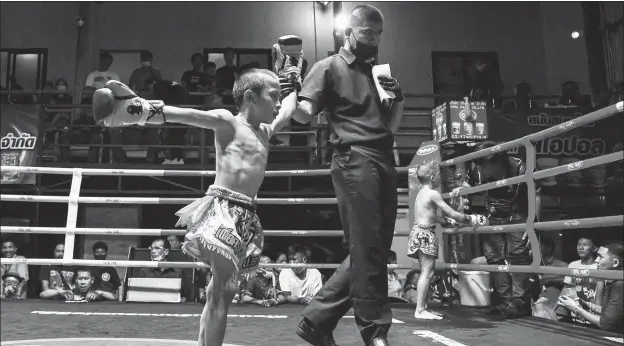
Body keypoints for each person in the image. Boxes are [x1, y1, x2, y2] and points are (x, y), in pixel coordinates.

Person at [92, 65, 299, 346]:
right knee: (224, 289)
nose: (276, 103)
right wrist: (139, 110)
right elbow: (189, 115)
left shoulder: (265, 130)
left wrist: (292, 81)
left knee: (221, 292)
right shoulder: (229, 122)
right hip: (223, 211)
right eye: (272, 96)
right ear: (250, 96)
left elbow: (287, 112)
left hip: (248, 218)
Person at [288, 5, 405, 346]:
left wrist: (397, 98)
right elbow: (303, 116)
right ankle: (374, 331)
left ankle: (317, 320)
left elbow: (391, 128)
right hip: (353, 158)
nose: (374, 40)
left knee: (375, 248)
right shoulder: (328, 67)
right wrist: (289, 90)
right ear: (349, 32)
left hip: (383, 156)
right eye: (368, 34)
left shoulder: (380, 71)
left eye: (379, 35)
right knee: (369, 246)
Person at [468, 141, 542, 319]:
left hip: (518, 214)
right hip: (492, 215)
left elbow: (537, 192)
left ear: (498, 162)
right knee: (494, 257)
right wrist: (461, 190)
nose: (481, 170)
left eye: (483, 165)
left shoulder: (521, 168)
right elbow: (467, 185)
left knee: (517, 255)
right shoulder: (476, 170)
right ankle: (504, 301)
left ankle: (519, 303)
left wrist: (533, 220)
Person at [409, 162, 483, 319]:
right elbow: (452, 212)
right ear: (431, 177)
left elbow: (430, 215)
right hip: (425, 234)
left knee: (426, 271)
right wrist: (469, 218)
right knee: (427, 272)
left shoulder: (421, 193)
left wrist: (445, 221)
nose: (438, 177)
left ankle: (423, 307)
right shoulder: (433, 193)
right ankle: (420, 310)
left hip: (418, 232)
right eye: (436, 174)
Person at [558, 242, 623, 333]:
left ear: (615, 263)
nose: (596, 260)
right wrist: (587, 304)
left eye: (601, 257)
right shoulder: (612, 282)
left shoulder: (620, 285)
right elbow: (609, 312)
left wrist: (576, 308)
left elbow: (605, 324)